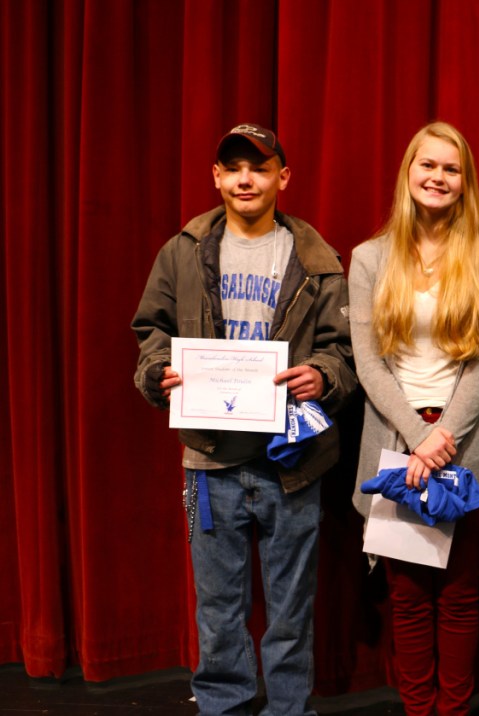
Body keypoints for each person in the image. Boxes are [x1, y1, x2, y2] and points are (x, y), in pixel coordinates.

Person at [131, 123, 358, 716]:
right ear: (216, 177)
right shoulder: (182, 250)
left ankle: (288, 710)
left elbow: (344, 350)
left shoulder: (317, 257)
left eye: (258, 168)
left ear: (283, 177)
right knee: (218, 607)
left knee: (290, 609)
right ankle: (224, 708)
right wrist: (158, 372)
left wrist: (324, 377)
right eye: (232, 168)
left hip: (291, 460)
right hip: (211, 459)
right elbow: (151, 333)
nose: (245, 179)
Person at [348, 121, 479, 716]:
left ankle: (453, 711)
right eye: (428, 166)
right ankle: (419, 711)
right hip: (396, 442)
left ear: (464, 181)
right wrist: (420, 439)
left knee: (462, 594)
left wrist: (443, 437)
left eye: (451, 168)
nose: (438, 178)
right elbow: (367, 363)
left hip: (465, 444)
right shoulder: (370, 258)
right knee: (409, 594)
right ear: (408, 174)